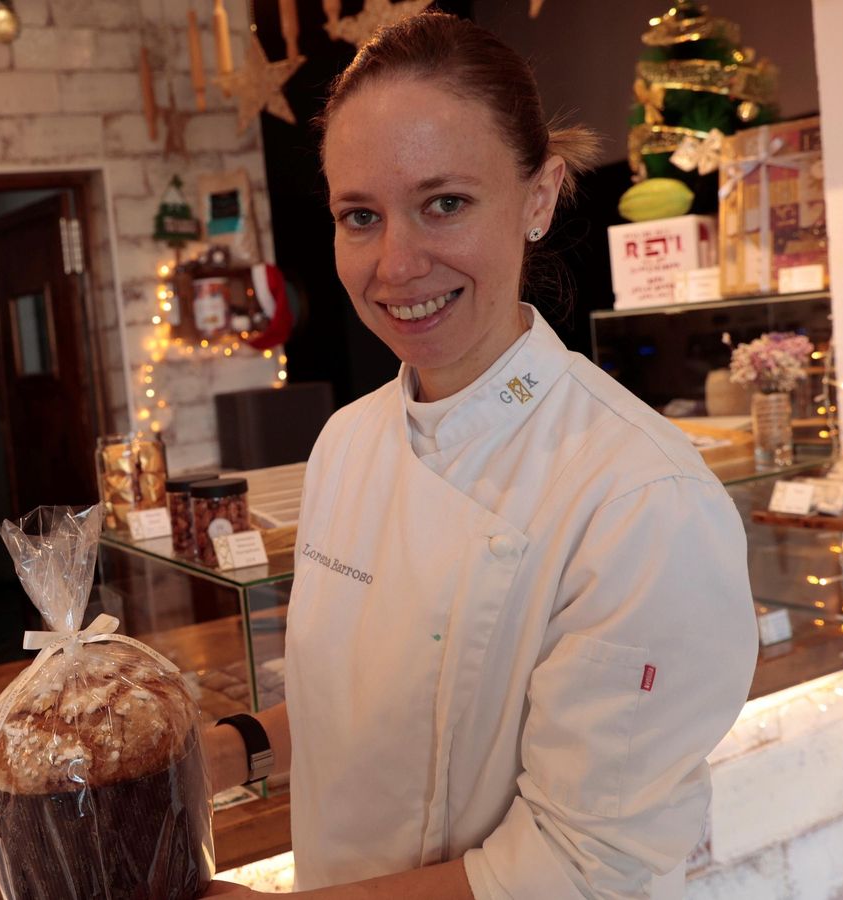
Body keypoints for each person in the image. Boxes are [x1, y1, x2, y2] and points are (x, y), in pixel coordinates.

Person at [203, 13, 757, 899]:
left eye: (445, 203)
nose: (397, 263)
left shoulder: (641, 499)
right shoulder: (348, 443)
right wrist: (230, 749)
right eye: (360, 216)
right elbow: (372, 703)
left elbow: (574, 869)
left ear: (539, 197)